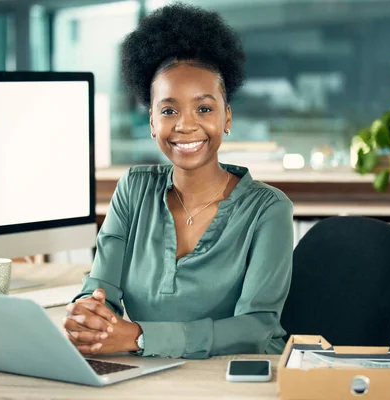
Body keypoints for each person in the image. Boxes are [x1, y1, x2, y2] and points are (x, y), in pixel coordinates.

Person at [63, 2, 294, 359]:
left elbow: (257, 328)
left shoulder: (268, 209)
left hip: (236, 380)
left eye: (204, 108)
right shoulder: (134, 190)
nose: (186, 125)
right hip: (147, 375)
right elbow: (99, 290)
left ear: (227, 117)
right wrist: (87, 315)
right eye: (169, 110)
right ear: (152, 121)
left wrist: (138, 337)